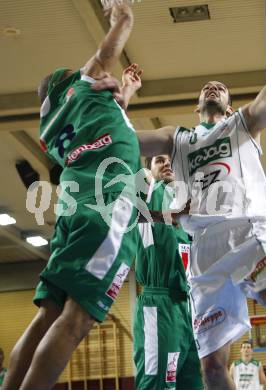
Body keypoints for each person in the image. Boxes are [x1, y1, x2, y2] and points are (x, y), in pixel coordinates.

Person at [93, 2, 266, 389]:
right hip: (204, 251)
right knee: (211, 365)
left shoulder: (243, 124)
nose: (213, 87)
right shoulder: (179, 139)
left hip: (246, 230)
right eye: (207, 88)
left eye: (221, 89)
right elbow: (121, 141)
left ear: (228, 104)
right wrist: (122, 98)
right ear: (197, 106)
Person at [3, 3, 141, 389]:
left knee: (48, 315)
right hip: (107, 207)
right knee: (76, 320)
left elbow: (114, 124)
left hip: (74, 215)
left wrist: (127, 90)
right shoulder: (80, 88)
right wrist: (123, 19)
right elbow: (104, 56)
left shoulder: (53, 129)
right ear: (69, 84)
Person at [133, 153, 203, 390]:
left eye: (170, 161)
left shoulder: (183, 203)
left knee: (191, 382)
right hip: (158, 304)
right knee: (157, 384)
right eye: (159, 160)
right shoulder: (147, 189)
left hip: (186, 307)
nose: (167, 164)